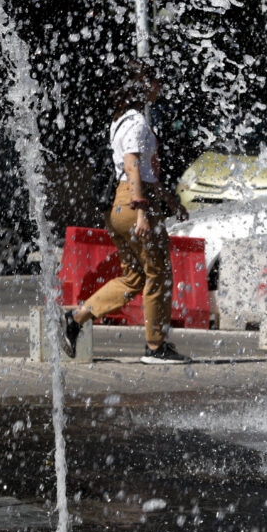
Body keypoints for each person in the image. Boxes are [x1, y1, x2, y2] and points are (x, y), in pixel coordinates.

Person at [61, 60, 192, 364]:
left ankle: (77, 318)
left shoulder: (119, 121)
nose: (159, 86)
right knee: (158, 274)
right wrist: (143, 211)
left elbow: (141, 171)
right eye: (155, 80)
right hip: (134, 204)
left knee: (134, 277)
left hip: (118, 208)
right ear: (142, 87)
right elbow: (132, 167)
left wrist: (171, 202)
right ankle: (156, 347)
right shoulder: (136, 123)